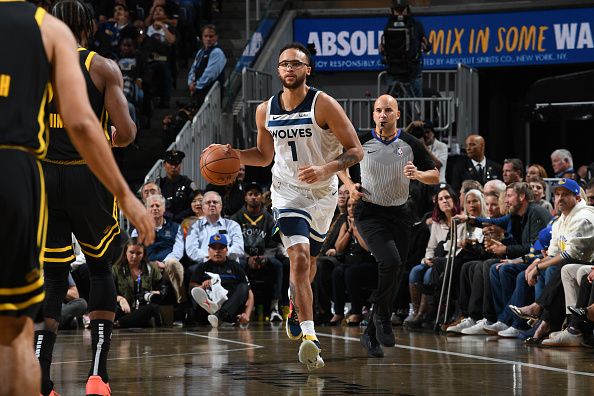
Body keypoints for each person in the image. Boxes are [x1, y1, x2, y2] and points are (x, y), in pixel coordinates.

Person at [0, 1, 153, 395]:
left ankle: (43, 379)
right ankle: (98, 376)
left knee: (51, 275)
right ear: (88, 28)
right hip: (89, 176)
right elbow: (127, 132)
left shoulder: (26, 56)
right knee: (101, 268)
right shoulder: (101, 67)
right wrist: (116, 138)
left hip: (41, 173)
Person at [213, 42, 363, 369]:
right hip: (285, 192)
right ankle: (310, 337)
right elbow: (265, 156)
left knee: (309, 265)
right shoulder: (265, 109)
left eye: (296, 64)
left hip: (322, 194)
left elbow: (355, 151)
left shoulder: (324, 104)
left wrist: (326, 169)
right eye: (283, 64)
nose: (289, 69)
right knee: (297, 257)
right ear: (278, 70)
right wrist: (234, 154)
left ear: (308, 69)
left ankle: (295, 306)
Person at [339, 94, 438, 357]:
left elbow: (435, 174)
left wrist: (417, 174)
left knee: (395, 273)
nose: (383, 115)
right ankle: (382, 316)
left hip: (400, 214)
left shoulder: (410, 142)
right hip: (369, 213)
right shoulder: (361, 139)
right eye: (378, 110)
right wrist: (350, 187)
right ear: (373, 115)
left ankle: (370, 334)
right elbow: (340, 166)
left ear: (397, 114)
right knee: (390, 262)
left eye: (388, 110)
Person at [230, 182, 284, 322]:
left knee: (278, 265)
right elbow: (233, 244)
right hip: (244, 258)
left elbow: (275, 243)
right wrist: (247, 258)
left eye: (257, 194)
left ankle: (275, 307)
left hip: (264, 256)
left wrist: (265, 257)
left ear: (261, 197)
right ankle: (240, 306)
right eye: (251, 194)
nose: (254, 197)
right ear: (245, 197)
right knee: (237, 264)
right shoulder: (236, 218)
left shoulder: (270, 219)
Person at [189, 234, 254, 327]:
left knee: (244, 287)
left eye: (221, 248)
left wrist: (247, 315)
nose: (217, 251)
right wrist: (202, 286)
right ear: (208, 250)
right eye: (214, 248)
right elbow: (193, 289)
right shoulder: (202, 267)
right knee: (197, 291)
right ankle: (215, 313)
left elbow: (249, 292)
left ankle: (220, 316)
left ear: (227, 250)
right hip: (208, 308)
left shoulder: (235, 266)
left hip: (230, 309)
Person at [112, 238, 166, 328]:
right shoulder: (116, 269)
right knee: (114, 309)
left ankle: (119, 323)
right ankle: (124, 322)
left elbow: (163, 287)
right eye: (131, 252)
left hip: (142, 310)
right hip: (124, 309)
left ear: (143, 254)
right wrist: (121, 299)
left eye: (138, 253)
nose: (134, 256)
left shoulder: (151, 268)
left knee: (153, 308)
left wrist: (159, 292)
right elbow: (108, 293)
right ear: (125, 252)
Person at [380, 0, 429, 98]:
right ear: (392, 10)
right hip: (393, 73)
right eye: (397, 10)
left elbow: (427, 45)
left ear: (408, 9)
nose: (400, 13)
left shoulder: (416, 25)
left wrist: (426, 46)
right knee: (392, 106)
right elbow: (383, 49)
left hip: (412, 73)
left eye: (402, 10)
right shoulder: (388, 26)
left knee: (416, 105)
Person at [187, 24, 227, 106]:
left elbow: (210, 74)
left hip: (210, 93)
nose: (208, 39)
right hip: (199, 91)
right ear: (202, 37)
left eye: (211, 36)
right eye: (206, 36)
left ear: (216, 37)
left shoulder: (217, 52)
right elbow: (193, 69)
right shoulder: (201, 52)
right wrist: (190, 82)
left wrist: (197, 86)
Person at [157, 149, 196, 221]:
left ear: (180, 165)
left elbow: (195, 203)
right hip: (164, 222)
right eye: (171, 164)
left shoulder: (188, 183)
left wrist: (179, 216)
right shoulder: (160, 184)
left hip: (185, 222)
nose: (174, 167)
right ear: (164, 165)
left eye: (176, 164)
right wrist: (168, 215)